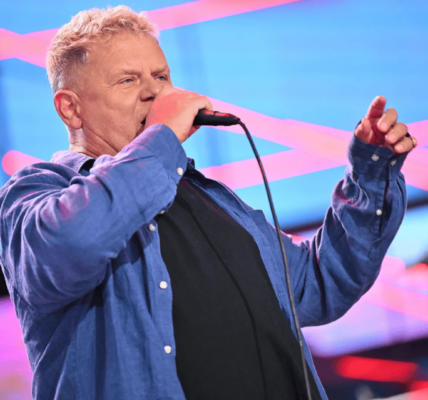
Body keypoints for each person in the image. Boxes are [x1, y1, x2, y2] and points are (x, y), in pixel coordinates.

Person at [0, 6, 416, 400]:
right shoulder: (37, 192)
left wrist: (370, 174)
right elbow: (70, 244)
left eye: (161, 76)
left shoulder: (212, 198)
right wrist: (162, 137)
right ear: (71, 110)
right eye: (127, 80)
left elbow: (320, 281)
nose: (154, 92)